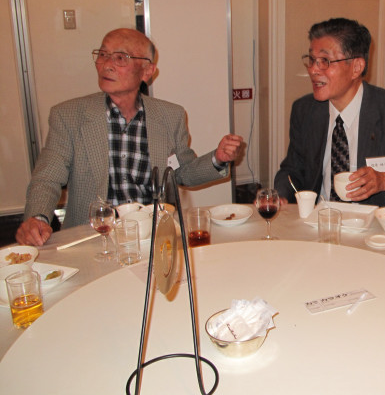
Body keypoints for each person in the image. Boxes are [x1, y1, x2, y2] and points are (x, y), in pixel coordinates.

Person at [16, 28, 243, 246]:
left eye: (120, 58)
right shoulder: (69, 116)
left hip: (153, 234)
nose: (107, 65)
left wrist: (218, 158)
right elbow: (47, 178)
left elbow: (182, 172)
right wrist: (38, 217)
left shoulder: (170, 115)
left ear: (147, 71)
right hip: (94, 237)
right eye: (103, 55)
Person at [274, 17, 385, 216]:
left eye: (325, 61)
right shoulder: (305, 111)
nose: (313, 70)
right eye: (311, 60)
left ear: (356, 67)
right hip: (320, 221)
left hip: (379, 224)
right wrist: (280, 193)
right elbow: (292, 170)